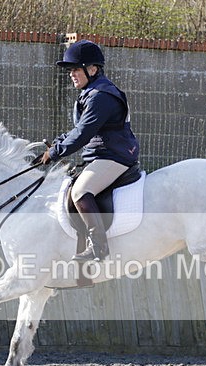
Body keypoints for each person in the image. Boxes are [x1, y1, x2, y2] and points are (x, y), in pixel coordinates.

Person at [38, 40, 140, 262]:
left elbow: (83, 133)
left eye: (75, 69)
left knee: (80, 192)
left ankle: (99, 249)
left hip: (115, 155)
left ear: (92, 69)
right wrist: (56, 144)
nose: (72, 74)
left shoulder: (101, 96)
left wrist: (56, 153)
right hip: (105, 153)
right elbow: (79, 129)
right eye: (70, 70)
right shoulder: (92, 92)